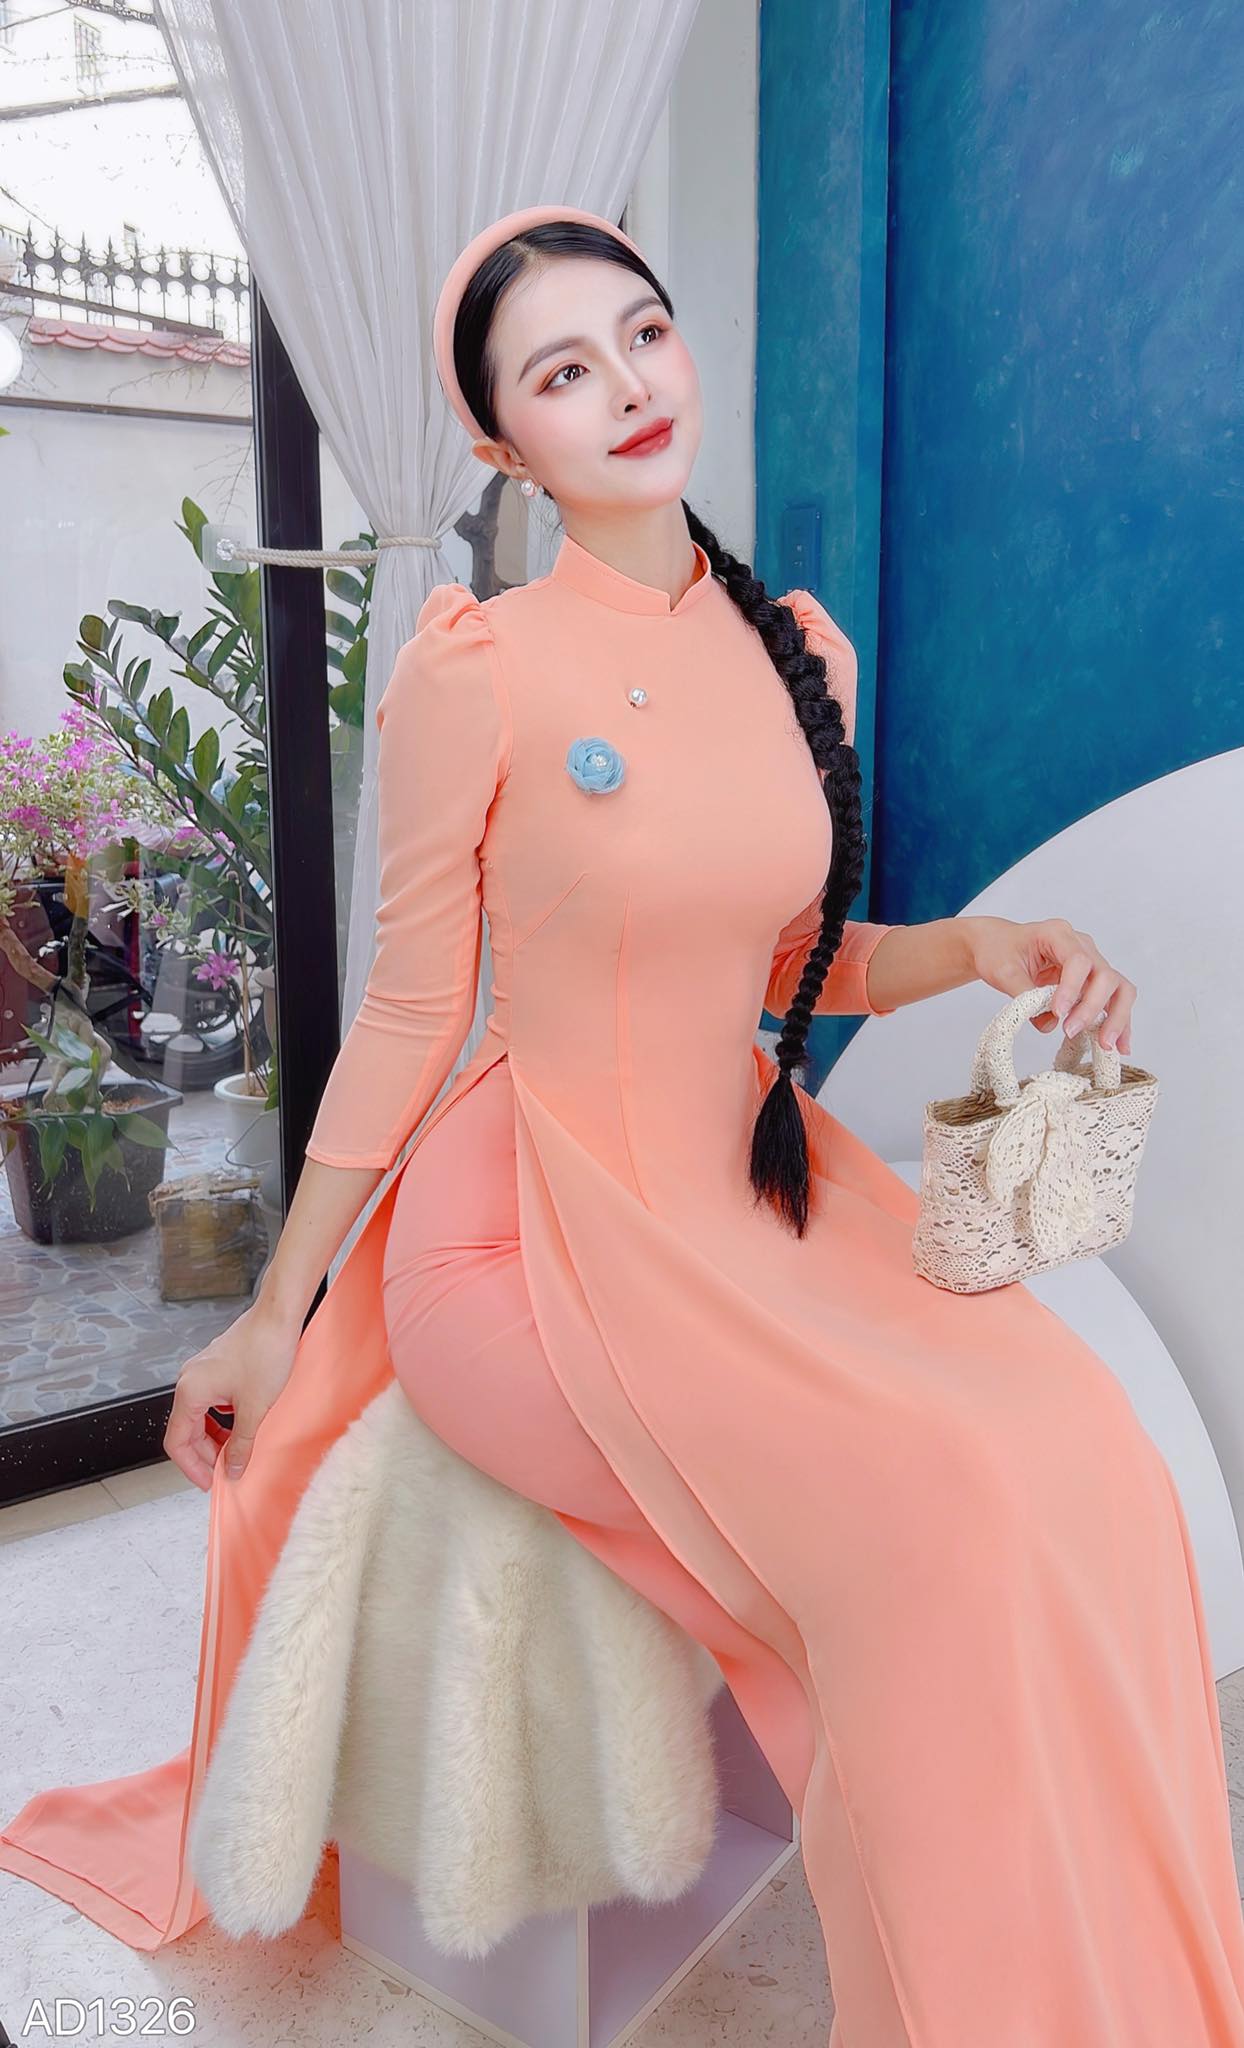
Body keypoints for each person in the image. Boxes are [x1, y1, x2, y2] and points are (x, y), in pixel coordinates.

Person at [3, 203, 1242, 2048]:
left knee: (1079, 1454)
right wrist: (274, 1310)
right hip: (525, 1236)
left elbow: (792, 961)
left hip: (750, 1194)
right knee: (944, 1514)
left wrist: (981, 948)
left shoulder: (794, 647)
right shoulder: (479, 669)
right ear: (505, 442)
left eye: (642, 334)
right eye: (563, 372)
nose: (630, 387)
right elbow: (413, 1014)